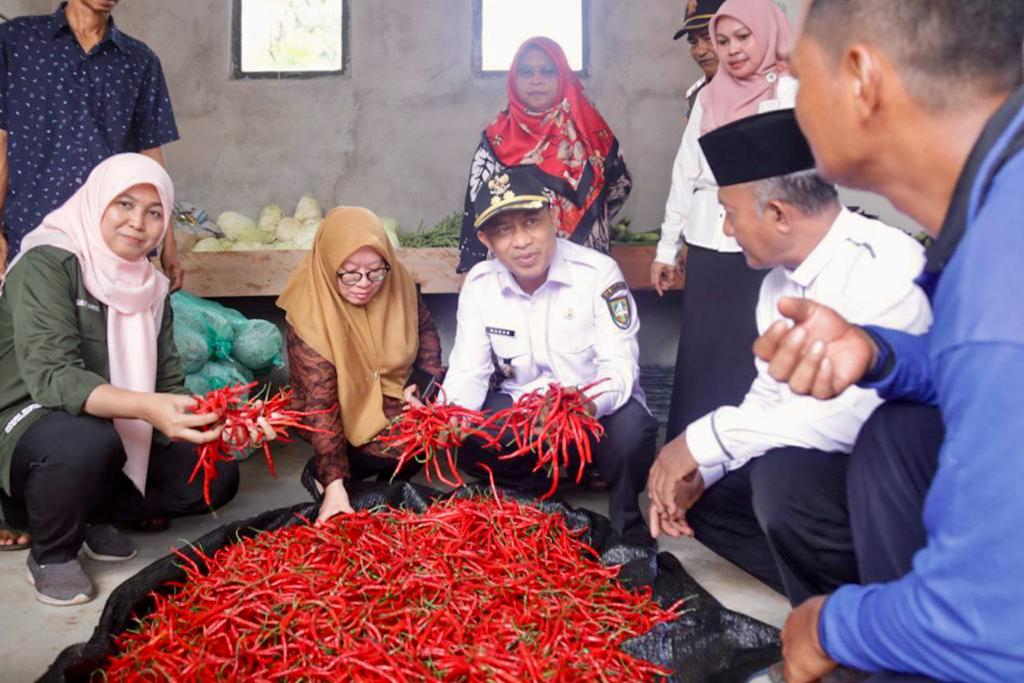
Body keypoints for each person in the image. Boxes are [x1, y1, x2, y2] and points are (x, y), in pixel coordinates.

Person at [743, 2, 1024, 681]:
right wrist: (878, 351)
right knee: (896, 434)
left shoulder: (1001, 279)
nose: (797, 106)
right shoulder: (997, 210)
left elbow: (991, 628)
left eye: (801, 81)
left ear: (861, 79)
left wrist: (828, 624)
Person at [645, 110, 932, 607]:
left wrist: (702, 438)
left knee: (784, 485)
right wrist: (703, 469)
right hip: (832, 463)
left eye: (730, 214)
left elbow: (854, 419)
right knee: (708, 501)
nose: (728, 230)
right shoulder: (777, 282)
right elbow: (769, 396)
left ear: (778, 213)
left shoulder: (886, 263)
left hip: (898, 474)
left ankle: (877, 615)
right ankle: (836, 601)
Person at [0, 154, 238, 606]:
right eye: (124, 205)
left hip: (101, 420)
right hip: (23, 414)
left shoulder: (151, 287)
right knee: (86, 441)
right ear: (97, 204)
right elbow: (53, 378)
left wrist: (222, 422)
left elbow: (168, 385)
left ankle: (85, 514)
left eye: (154, 213)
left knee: (214, 472)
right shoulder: (47, 263)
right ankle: (51, 551)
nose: (137, 223)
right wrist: (148, 408)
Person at [442, 166, 658, 546]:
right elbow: (467, 372)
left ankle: (627, 521)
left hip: (588, 413)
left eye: (531, 222)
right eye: (504, 230)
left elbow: (620, 367)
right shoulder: (479, 285)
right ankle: (537, 488)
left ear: (553, 217)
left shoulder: (598, 274)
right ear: (485, 239)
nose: (523, 241)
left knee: (633, 432)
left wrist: (582, 407)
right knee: (472, 434)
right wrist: (451, 416)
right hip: (522, 413)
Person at [653, 0, 796, 445]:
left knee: (751, 358)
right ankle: (694, 461)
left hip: (764, 248)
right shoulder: (709, 96)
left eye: (742, 37)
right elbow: (685, 172)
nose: (729, 49)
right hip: (709, 247)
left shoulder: (789, 91)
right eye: (722, 39)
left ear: (767, 32)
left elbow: (797, 178)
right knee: (703, 359)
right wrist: (666, 247)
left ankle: (747, 466)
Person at [0, 0, 183, 289]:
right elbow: (1, 142)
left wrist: (168, 241)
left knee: (111, 333)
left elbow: (150, 160)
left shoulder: (140, 61)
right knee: (37, 330)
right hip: (32, 229)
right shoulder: (16, 41)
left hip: (113, 238)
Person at [277, 207, 443, 525]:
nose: (364, 284)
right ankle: (324, 473)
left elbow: (427, 334)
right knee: (368, 460)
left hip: (389, 393)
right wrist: (335, 488)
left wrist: (422, 384)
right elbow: (320, 404)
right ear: (329, 265)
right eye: (350, 273)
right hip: (336, 405)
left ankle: (373, 469)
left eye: (376, 271)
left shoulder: (400, 282)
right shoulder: (309, 311)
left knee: (420, 439)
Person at [457, 37, 631, 273]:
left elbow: (619, 185)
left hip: (586, 269)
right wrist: (471, 270)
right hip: (515, 272)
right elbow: (477, 211)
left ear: (563, 77)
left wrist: (591, 224)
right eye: (526, 71)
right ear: (514, 80)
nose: (536, 80)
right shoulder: (496, 140)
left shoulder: (591, 132)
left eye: (547, 71)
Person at [672, 0, 726, 119]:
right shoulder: (696, 97)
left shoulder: (769, 87)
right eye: (693, 42)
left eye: (708, 38)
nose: (700, 51)